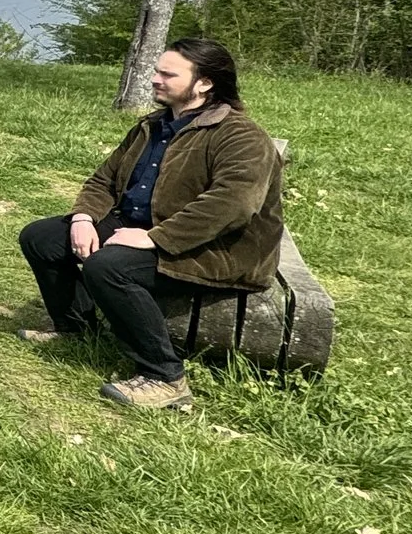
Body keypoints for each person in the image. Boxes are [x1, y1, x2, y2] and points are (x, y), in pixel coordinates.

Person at [17, 37, 284, 412]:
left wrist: (156, 239)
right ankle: (75, 328)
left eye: (167, 73)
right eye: (157, 70)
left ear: (204, 83)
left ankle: (165, 378)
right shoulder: (154, 125)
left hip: (215, 248)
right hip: (138, 227)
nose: (154, 78)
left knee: (109, 267)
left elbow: (233, 205)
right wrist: (83, 217)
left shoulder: (240, 136)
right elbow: (104, 180)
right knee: (41, 237)